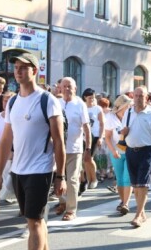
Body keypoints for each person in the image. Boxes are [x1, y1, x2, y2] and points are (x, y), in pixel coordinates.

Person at [0, 52, 66, 250]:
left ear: (34, 71)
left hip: (40, 170)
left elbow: (59, 142)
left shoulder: (47, 100)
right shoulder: (13, 102)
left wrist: (61, 176)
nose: (18, 71)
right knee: (35, 220)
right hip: (18, 170)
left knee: (33, 221)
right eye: (16, 67)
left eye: (23, 67)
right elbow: (5, 140)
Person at [120, 86, 151, 227]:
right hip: (130, 151)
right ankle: (142, 212)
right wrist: (124, 132)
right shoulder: (128, 112)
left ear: (147, 98)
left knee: (142, 185)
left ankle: (138, 215)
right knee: (135, 185)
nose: (138, 98)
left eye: (141, 95)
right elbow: (121, 134)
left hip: (146, 152)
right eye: (136, 95)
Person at [55, 77, 91, 221]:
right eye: (64, 86)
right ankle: (62, 202)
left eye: (70, 86)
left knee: (72, 180)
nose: (67, 89)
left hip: (74, 148)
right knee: (58, 178)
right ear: (60, 88)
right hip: (58, 149)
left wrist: (88, 148)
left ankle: (71, 209)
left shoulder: (80, 104)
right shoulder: (56, 103)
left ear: (75, 89)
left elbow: (87, 128)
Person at [104, 95, 133, 215]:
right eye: (128, 105)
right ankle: (122, 201)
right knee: (120, 178)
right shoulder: (110, 117)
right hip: (116, 150)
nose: (130, 107)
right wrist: (113, 151)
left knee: (128, 178)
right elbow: (108, 137)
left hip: (131, 150)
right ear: (122, 107)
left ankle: (126, 203)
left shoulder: (132, 115)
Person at [0, 92, 17, 209]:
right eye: (4, 101)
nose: (6, 103)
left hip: (12, 155)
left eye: (9, 101)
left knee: (11, 184)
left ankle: (23, 206)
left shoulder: (16, 117)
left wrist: (12, 153)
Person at [82, 88, 104, 189]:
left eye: (93, 97)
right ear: (85, 97)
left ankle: (94, 178)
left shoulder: (98, 109)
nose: (92, 99)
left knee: (89, 158)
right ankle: (88, 179)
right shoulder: (82, 107)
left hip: (94, 135)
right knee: (85, 160)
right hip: (83, 136)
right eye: (90, 98)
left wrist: (100, 137)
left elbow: (102, 124)